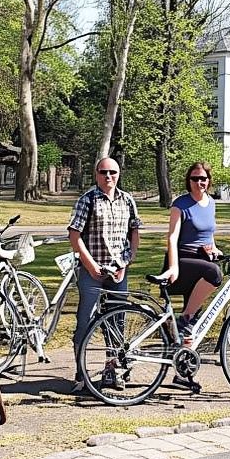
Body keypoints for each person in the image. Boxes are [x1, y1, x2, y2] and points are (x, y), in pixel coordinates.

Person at [67, 157, 142, 392]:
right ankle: (81, 371)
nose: (108, 176)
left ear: (119, 174)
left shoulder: (127, 200)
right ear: (96, 174)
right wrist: (89, 265)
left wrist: (126, 262)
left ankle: (112, 370)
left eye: (113, 172)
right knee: (85, 321)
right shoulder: (87, 200)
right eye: (103, 172)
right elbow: (74, 235)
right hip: (93, 271)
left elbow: (134, 232)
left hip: (118, 271)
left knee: (116, 321)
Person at [163, 162, 223, 363]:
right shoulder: (180, 204)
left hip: (202, 261)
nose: (199, 182)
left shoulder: (211, 202)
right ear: (188, 181)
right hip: (183, 261)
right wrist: (173, 267)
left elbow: (209, 234)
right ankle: (184, 318)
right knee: (215, 274)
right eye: (195, 179)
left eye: (203, 178)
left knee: (194, 325)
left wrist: (214, 248)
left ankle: (183, 372)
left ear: (208, 181)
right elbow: (172, 237)